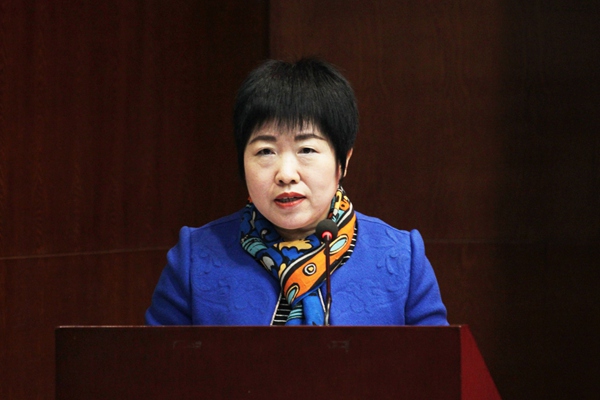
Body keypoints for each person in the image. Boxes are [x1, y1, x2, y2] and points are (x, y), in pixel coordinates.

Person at [145, 58, 448, 326]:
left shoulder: (400, 257)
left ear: (343, 161)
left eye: (306, 149)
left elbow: (438, 365)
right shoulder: (196, 257)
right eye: (265, 151)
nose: (286, 174)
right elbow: (155, 366)